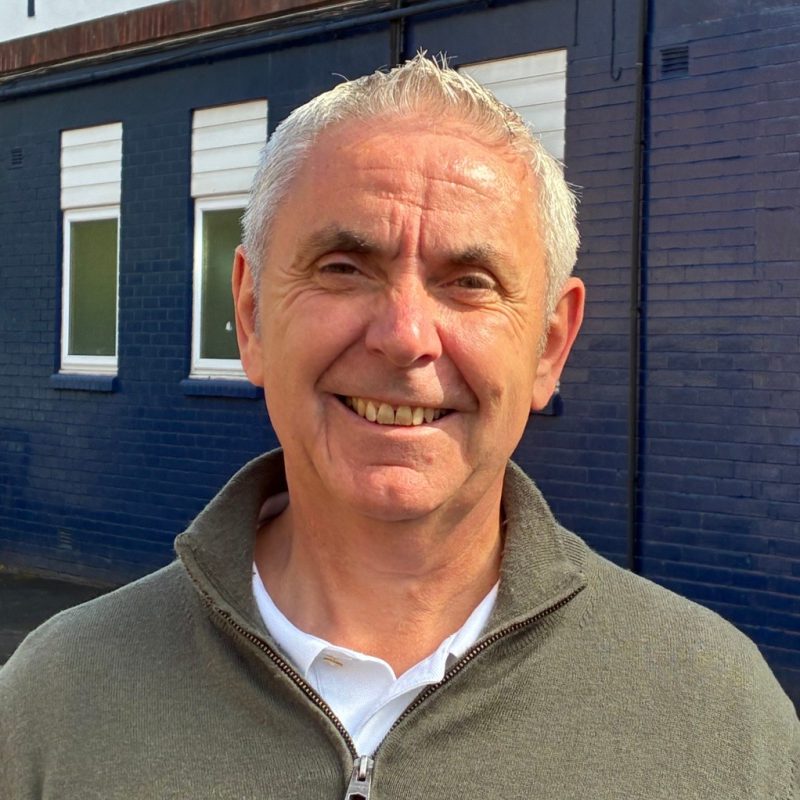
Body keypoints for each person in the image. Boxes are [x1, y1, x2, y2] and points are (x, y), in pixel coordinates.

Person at [1, 55, 797, 799]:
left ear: (550, 345)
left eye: (470, 281)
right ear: (250, 314)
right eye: (344, 269)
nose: (405, 335)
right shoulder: (54, 703)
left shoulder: (718, 717)